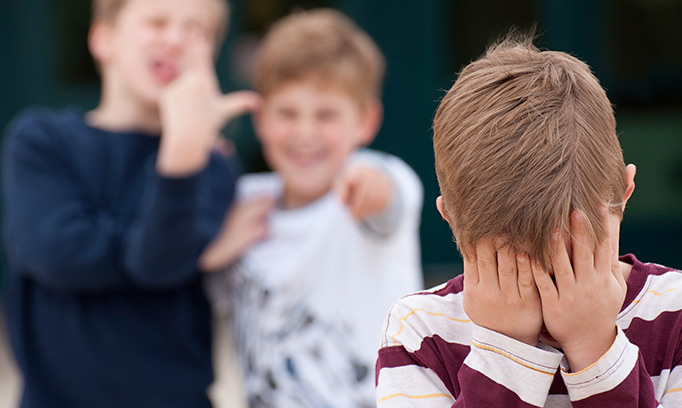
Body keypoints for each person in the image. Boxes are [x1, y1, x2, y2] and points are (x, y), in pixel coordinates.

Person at [375, 33, 682, 407]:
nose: (555, 301)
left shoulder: (674, 315)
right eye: (517, 266)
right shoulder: (420, 332)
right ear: (452, 222)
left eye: (570, 259)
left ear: (624, 194)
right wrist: (505, 350)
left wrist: (595, 346)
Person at [1, 0, 260, 406]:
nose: (175, 40)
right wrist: (194, 255)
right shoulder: (41, 141)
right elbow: (57, 253)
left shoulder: (209, 165)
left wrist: (183, 149)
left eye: (196, 30)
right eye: (157, 22)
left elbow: (158, 263)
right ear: (103, 38)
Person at [199, 8, 424, 408]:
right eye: (287, 113)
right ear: (261, 119)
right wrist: (215, 247)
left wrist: (372, 186)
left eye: (326, 115)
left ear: (366, 121)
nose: (305, 133)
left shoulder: (373, 178)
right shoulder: (243, 202)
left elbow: (390, 199)